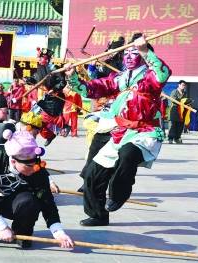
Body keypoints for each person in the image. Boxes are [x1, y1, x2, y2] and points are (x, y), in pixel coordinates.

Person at [66, 34, 171, 226]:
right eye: (126, 53)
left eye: (134, 53)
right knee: (92, 173)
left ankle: (119, 194)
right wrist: (72, 76)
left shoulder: (150, 77)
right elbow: (91, 89)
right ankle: (97, 215)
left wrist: (145, 50)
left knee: (128, 153)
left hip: (144, 131)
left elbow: (162, 74)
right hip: (120, 131)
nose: (129, 56)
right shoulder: (119, 79)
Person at [0, 130, 74, 249]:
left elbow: (47, 202)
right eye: (29, 166)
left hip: (14, 202)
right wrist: (2, 227)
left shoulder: (36, 169)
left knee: (29, 201)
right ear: (14, 161)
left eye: (36, 164)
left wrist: (59, 233)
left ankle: (22, 234)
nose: (34, 169)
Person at [26, 48, 70, 146]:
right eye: (40, 57)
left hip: (56, 97)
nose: (41, 59)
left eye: (44, 57)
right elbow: (36, 78)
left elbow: (62, 82)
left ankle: (64, 126)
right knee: (36, 120)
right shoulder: (40, 68)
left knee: (44, 119)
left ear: (48, 59)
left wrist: (54, 89)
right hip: (47, 98)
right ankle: (49, 135)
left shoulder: (54, 68)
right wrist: (29, 80)